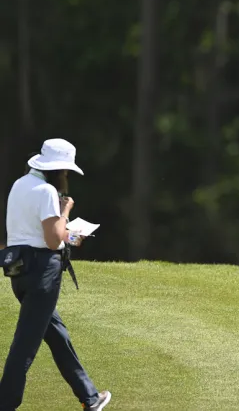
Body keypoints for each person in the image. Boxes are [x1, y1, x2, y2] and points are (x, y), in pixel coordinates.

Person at [0, 139, 111, 411]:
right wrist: (66, 210)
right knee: (24, 347)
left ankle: (90, 397)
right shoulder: (47, 191)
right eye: (65, 172)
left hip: (20, 271)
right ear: (57, 169)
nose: (66, 177)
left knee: (58, 337)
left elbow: (39, 233)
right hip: (43, 273)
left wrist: (68, 236)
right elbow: (52, 241)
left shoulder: (20, 184)